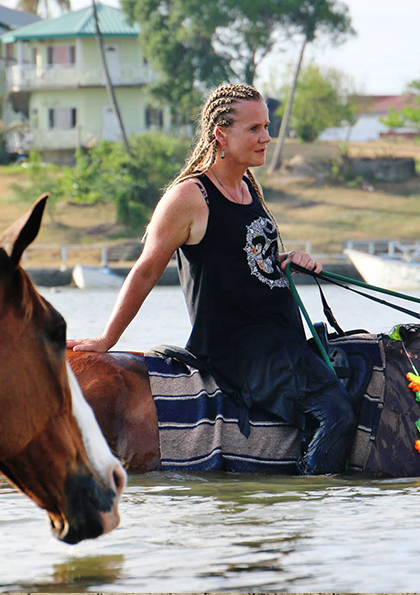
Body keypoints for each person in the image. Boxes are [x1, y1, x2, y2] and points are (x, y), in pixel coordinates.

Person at [67, 83, 356, 474]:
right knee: (337, 413)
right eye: (254, 128)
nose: (266, 137)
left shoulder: (247, 187)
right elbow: (146, 269)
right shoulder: (189, 197)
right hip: (239, 350)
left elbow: (246, 260)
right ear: (221, 134)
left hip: (279, 337)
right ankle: (309, 496)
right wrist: (107, 339)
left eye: (267, 126)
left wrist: (286, 260)